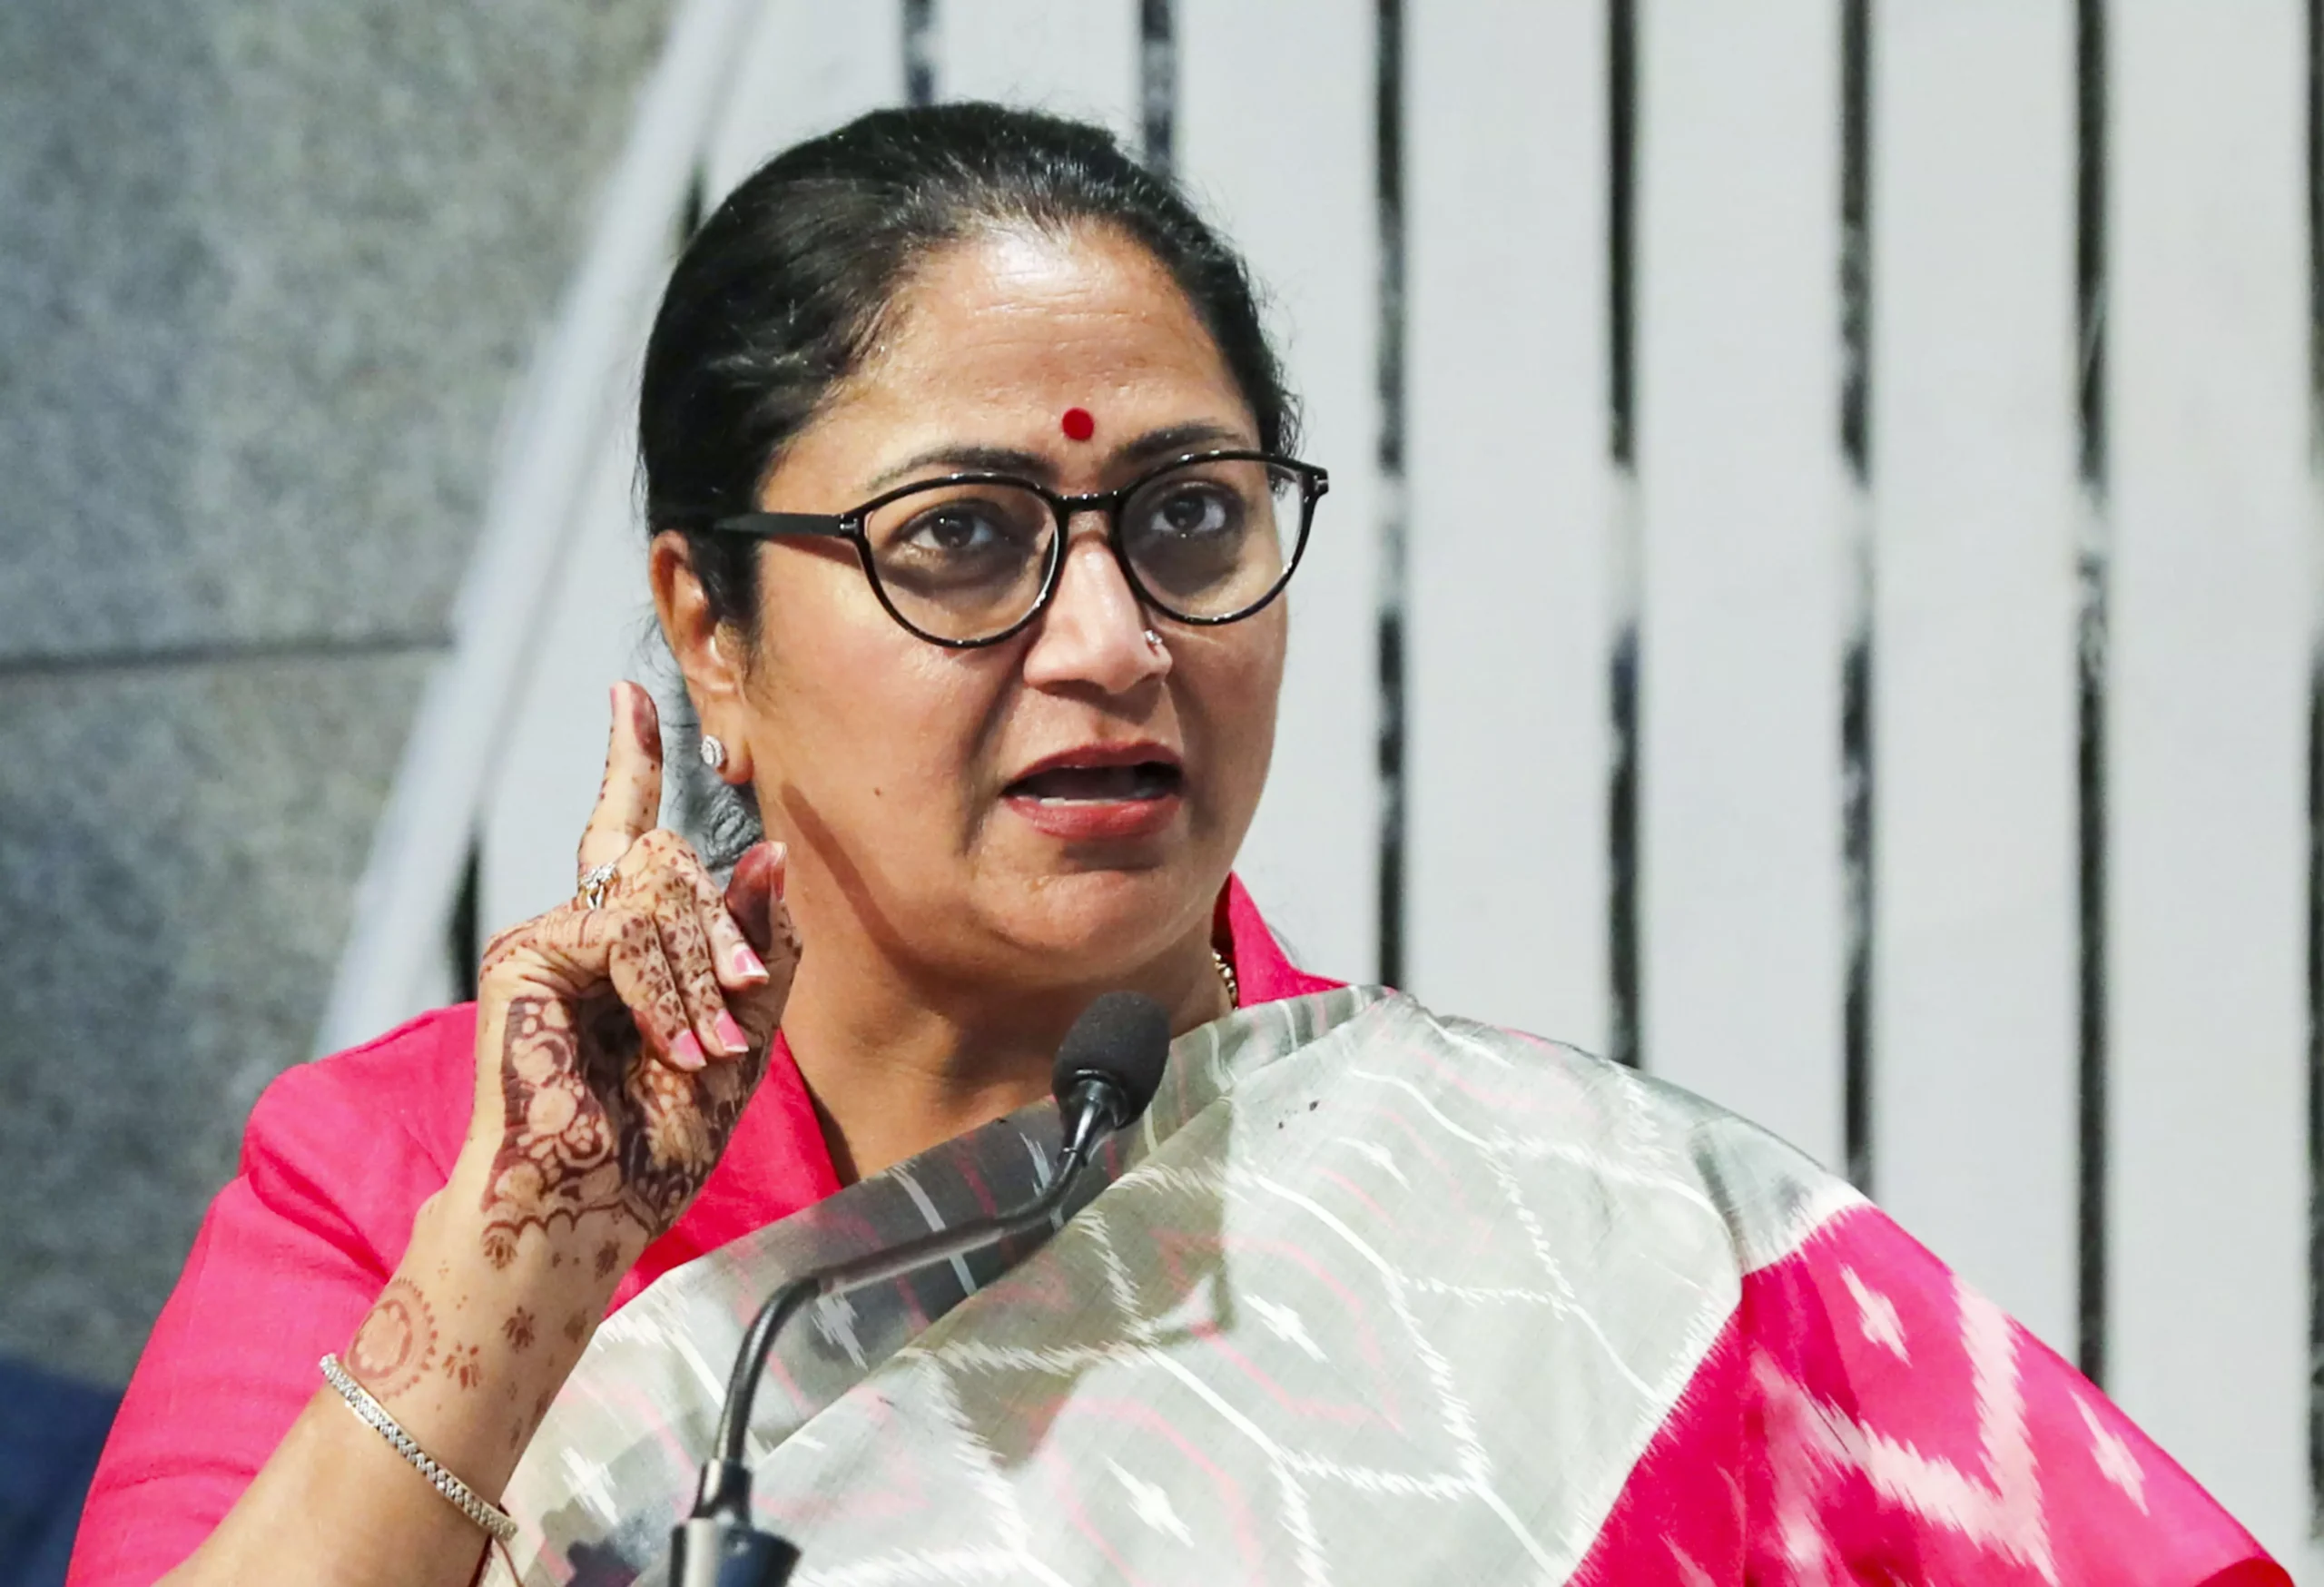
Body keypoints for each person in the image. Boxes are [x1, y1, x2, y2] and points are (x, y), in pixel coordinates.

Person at [70, 104, 2282, 1587]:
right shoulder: (409, 1182)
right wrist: (522, 1271)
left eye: (1189, 519)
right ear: (709, 625)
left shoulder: (1544, 1240)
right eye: (963, 538)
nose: (1114, 639)